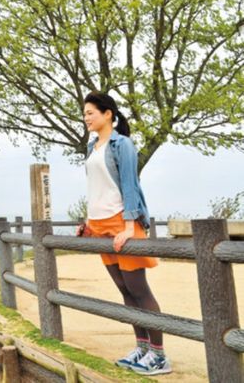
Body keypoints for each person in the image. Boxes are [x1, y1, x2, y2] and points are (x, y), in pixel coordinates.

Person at [81, 91, 172, 376]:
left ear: (108, 113)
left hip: (122, 222)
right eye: (84, 114)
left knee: (138, 289)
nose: (86, 118)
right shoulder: (92, 146)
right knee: (123, 289)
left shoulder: (123, 144)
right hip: (99, 225)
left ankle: (159, 356)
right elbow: (96, 187)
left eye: (90, 113)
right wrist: (88, 221)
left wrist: (130, 226)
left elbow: (130, 185)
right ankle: (142, 347)